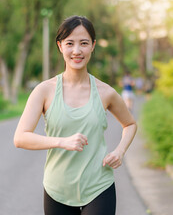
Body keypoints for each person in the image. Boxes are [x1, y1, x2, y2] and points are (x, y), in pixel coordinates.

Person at [14, 15, 137, 215]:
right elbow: (20, 138)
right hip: (57, 190)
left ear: (93, 46)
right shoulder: (44, 91)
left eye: (84, 43)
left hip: (99, 186)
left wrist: (120, 151)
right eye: (70, 43)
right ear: (60, 46)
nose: (77, 51)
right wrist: (62, 142)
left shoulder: (106, 92)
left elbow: (130, 124)